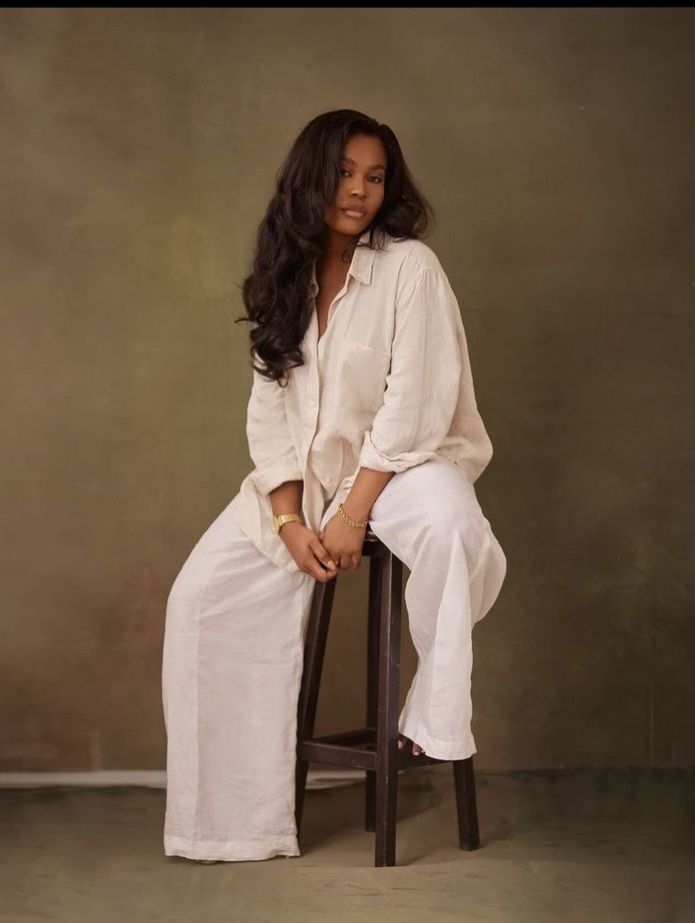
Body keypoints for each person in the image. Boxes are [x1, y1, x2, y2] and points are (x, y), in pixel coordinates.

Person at [161, 108, 507, 864]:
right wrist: (289, 521)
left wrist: (355, 513)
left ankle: (434, 717)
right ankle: (229, 824)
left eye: (375, 176)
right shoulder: (283, 275)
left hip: (404, 464)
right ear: (309, 178)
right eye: (345, 173)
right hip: (309, 483)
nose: (359, 190)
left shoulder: (411, 267)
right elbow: (269, 414)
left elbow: (414, 404)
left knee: (454, 526)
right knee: (198, 598)